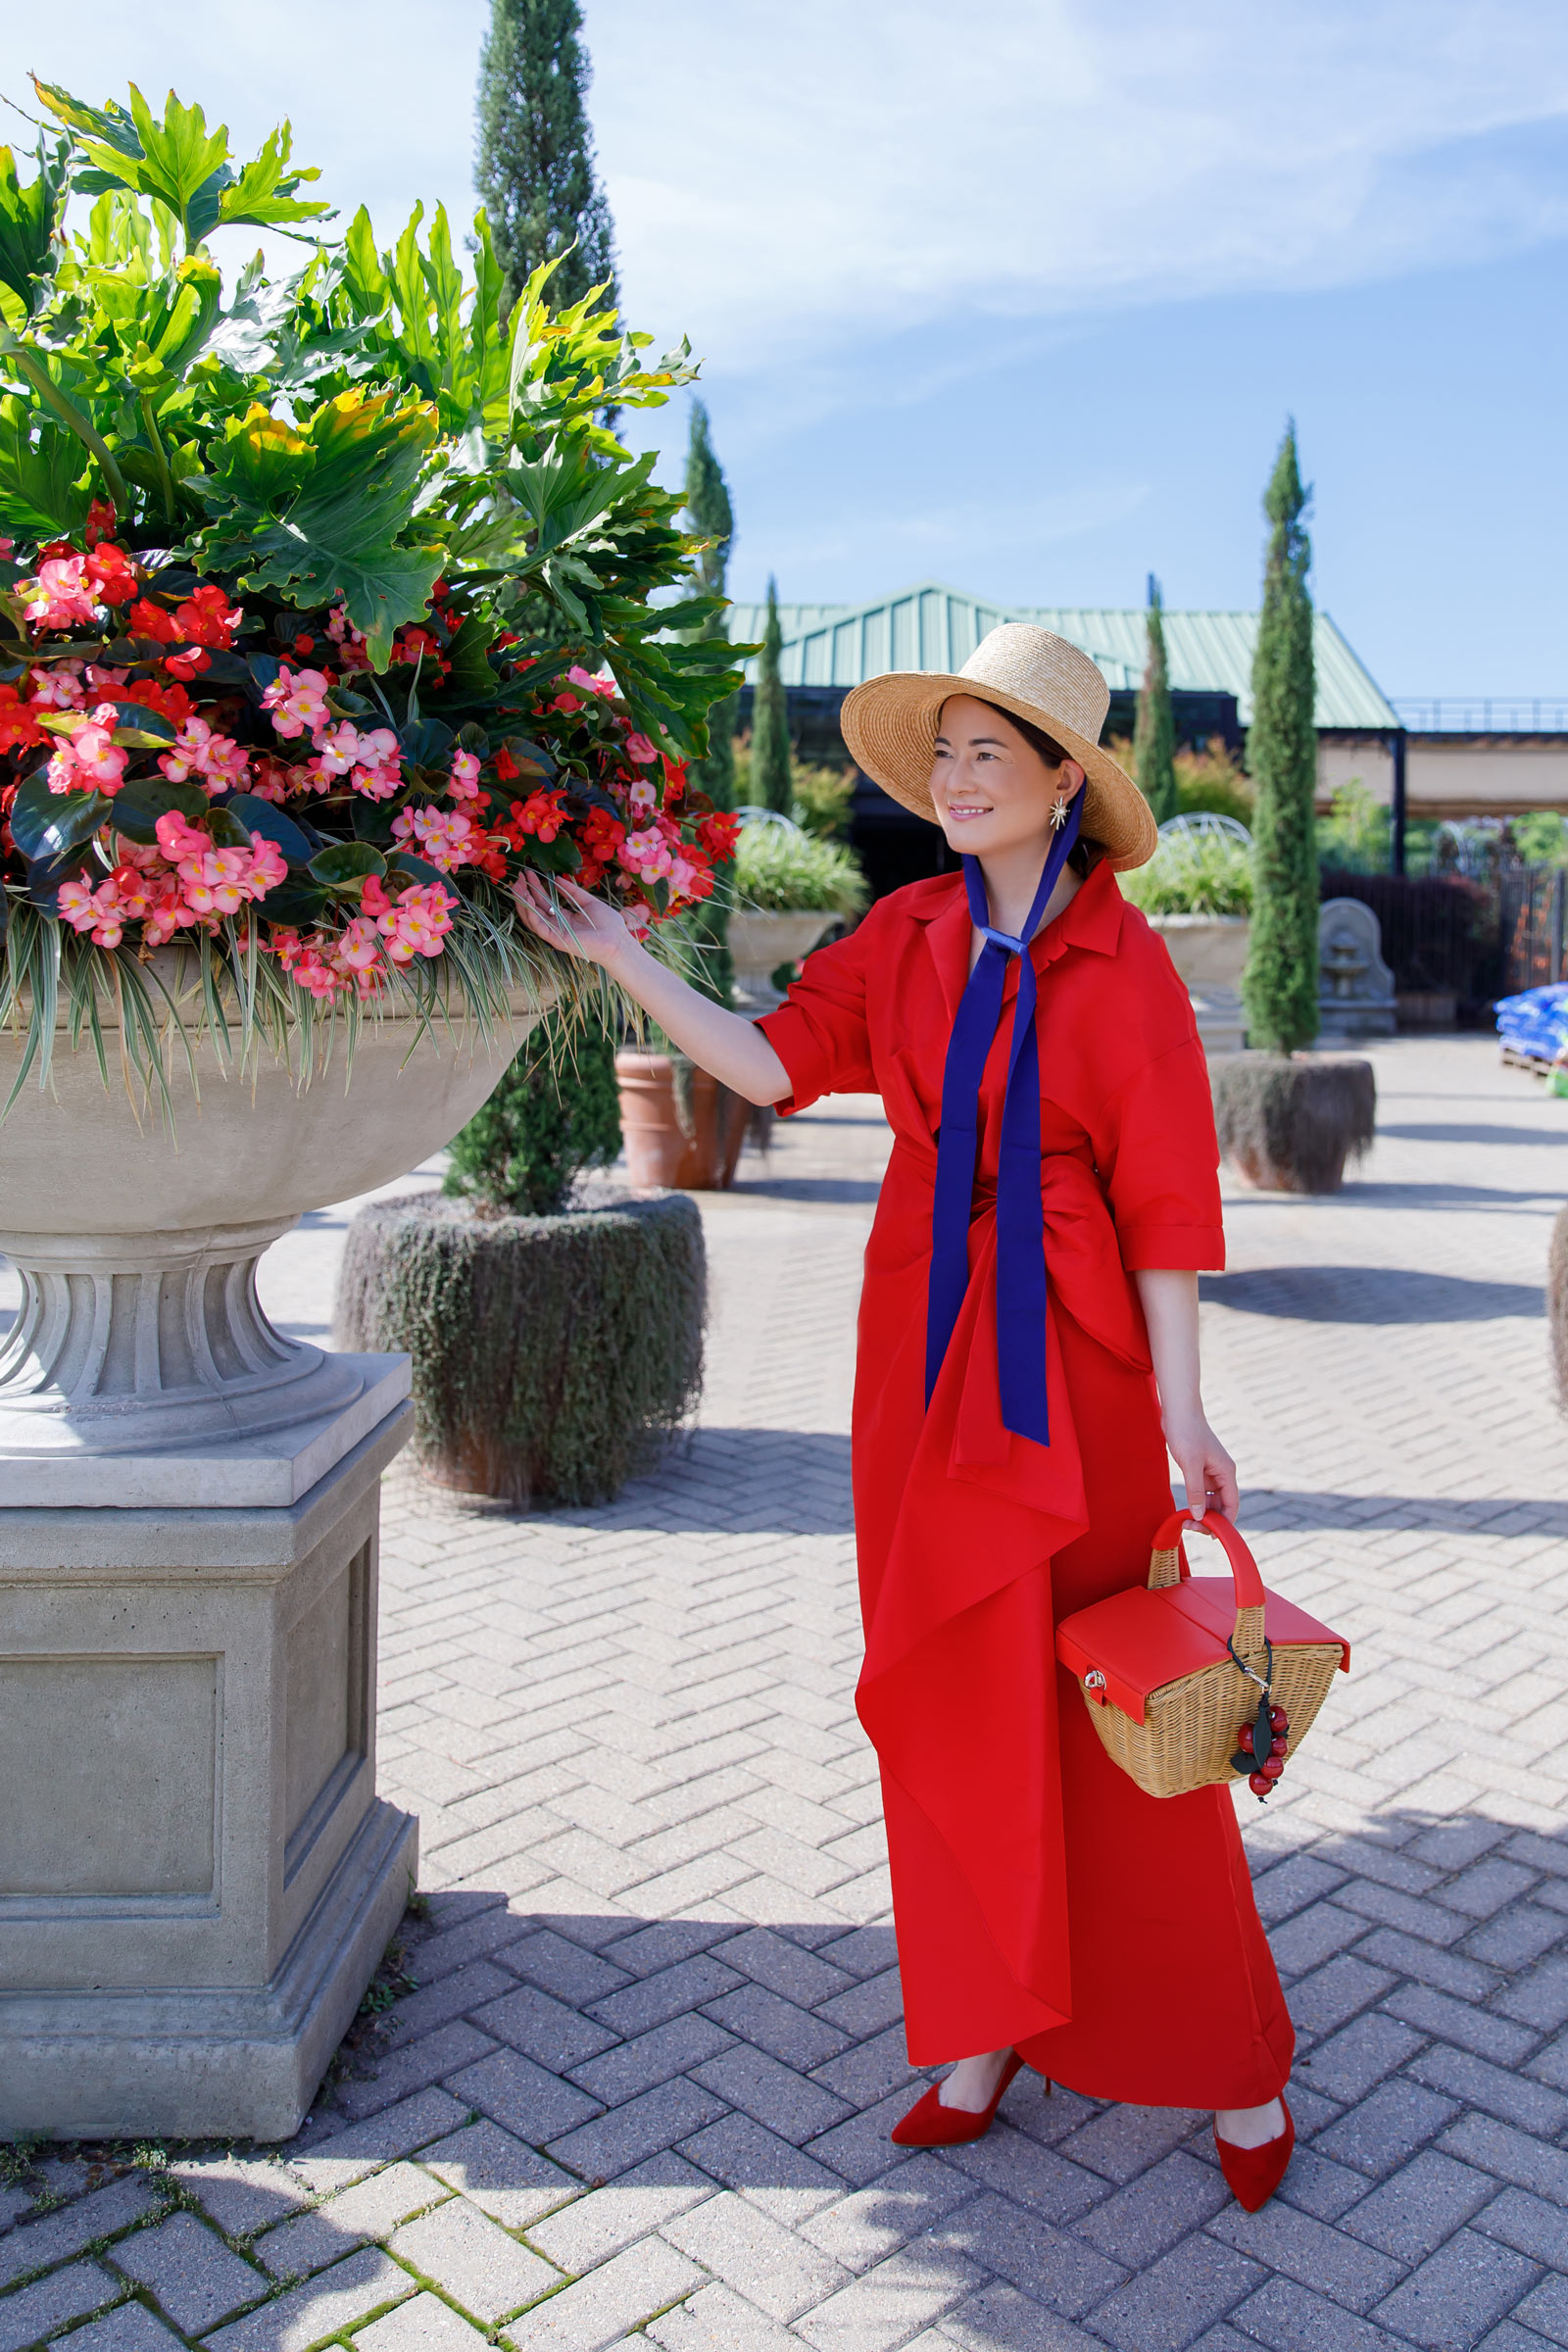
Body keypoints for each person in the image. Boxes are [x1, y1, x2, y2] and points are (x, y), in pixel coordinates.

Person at [516, 623, 1296, 2213]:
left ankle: (1232, 2054)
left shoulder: (1127, 963)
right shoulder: (910, 932)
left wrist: (1187, 1416)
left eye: (983, 756)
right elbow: (770, 1061)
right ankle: (986, 2023)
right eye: (940, 754)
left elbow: (1163, 1205)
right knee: (958, 1692)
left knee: (1123, 1717)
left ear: (1062, 782)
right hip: (921, 1357)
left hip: (1074, 1373)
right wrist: (622, 957)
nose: (951, 780)